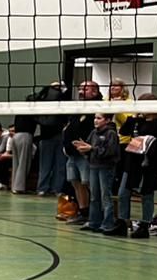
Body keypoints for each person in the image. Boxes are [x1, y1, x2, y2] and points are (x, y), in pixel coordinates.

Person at [116, 97, 157, 237]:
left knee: (147, 195)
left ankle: (145, 225)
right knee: (123, 193)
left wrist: (146, 142)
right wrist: (133, 117)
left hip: (149, 164)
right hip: (132, 162)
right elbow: (123, 131)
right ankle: (123, 223)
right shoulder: (137, 121)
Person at [74, 112, 122, 234]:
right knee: (94, 196)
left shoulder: (111, 134)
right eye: (95, 118)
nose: (95, 120)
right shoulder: (94, 133)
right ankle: (94, 222)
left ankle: (108, 223)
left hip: (106, 168)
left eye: (99, 118)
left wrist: (92, 149)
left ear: (107, 120)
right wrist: (83, 148)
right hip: (94, 166)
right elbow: (89, 147)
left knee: (105, 196)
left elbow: (110, 151)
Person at [61, 81, 101, 223]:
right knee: (76, 183)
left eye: (85, 89)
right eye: (79, 88)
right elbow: (70, 127)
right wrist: (66, 146)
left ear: (95, 91)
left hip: (86, 154)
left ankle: (97, 214)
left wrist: (89, 148)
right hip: (72, 154)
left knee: (88, 183)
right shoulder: (77, 107)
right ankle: (83, 213)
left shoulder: (99, 107)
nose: (80, 91)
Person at [32, 80, 69, 196]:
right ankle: (51, 188)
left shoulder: (58, 100)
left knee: (51, 165)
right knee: (54, 165)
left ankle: (47, 188)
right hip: (51, 136)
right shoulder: (45, 101)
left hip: (53, 135)